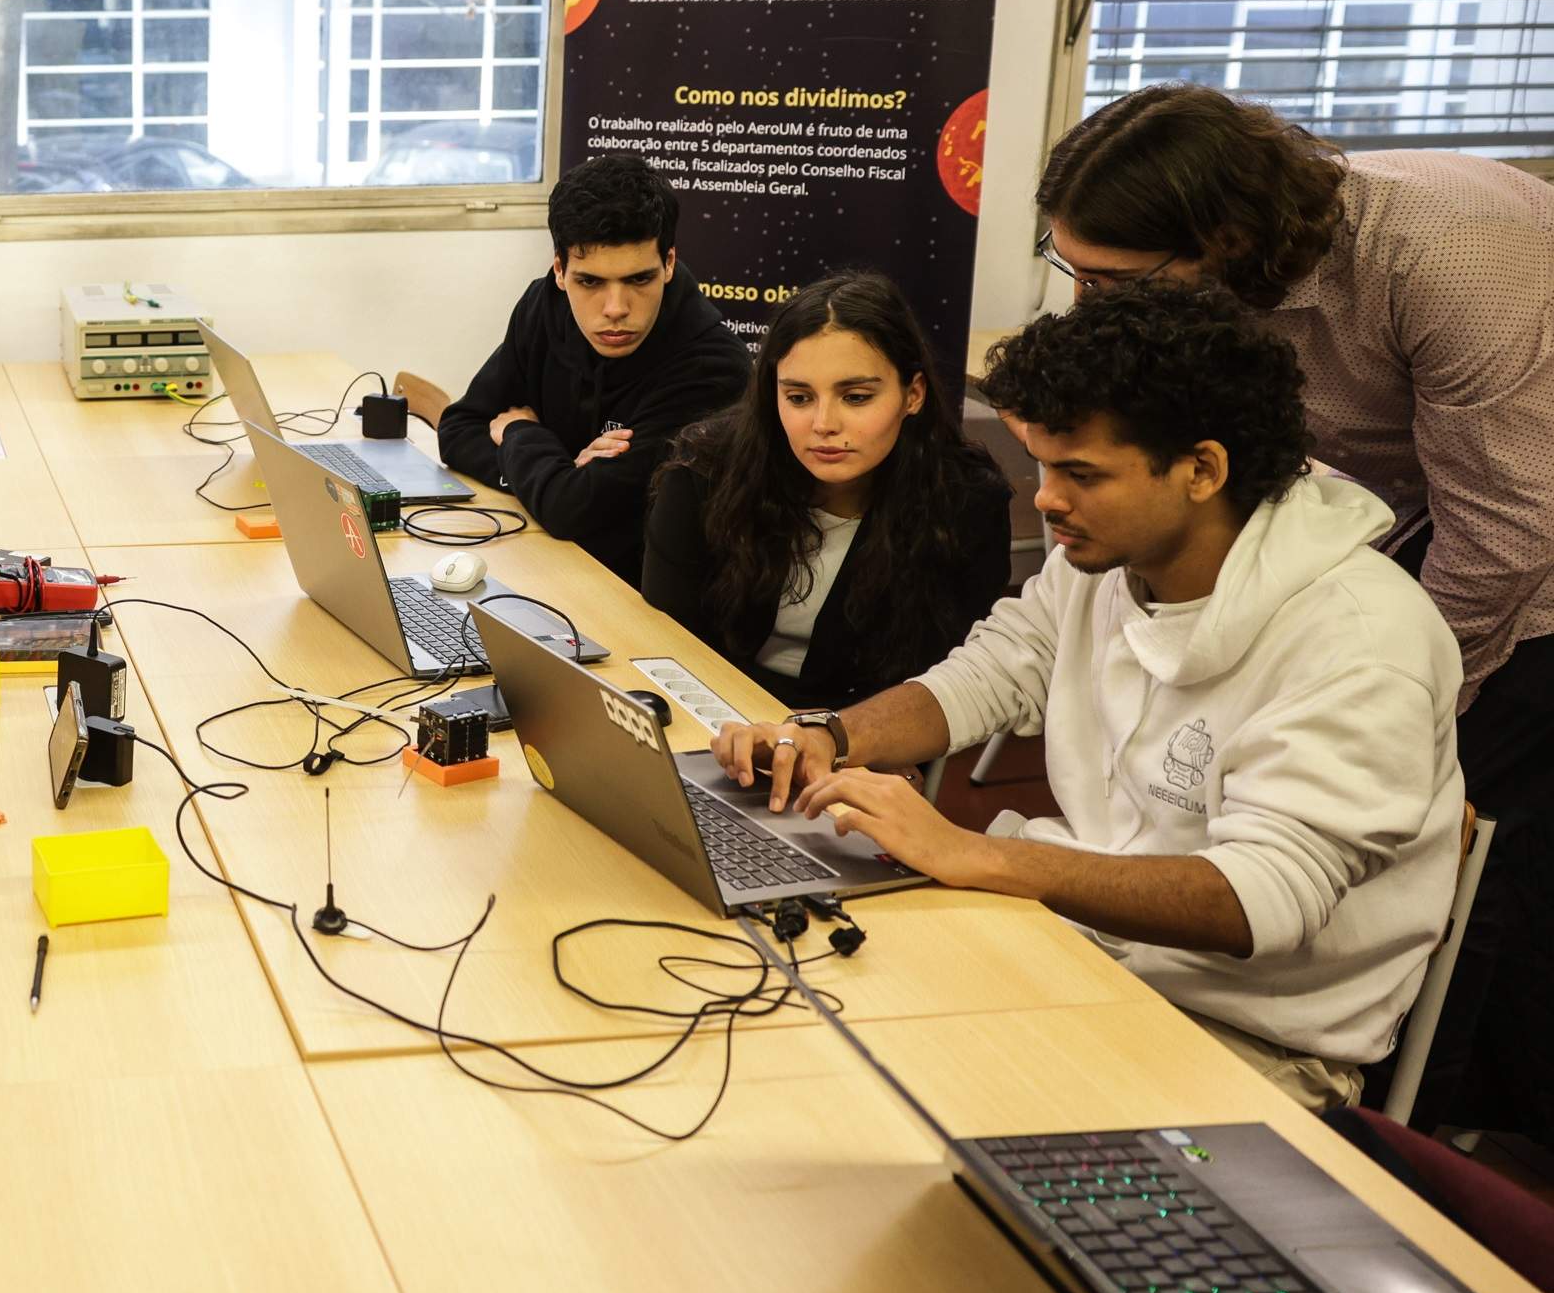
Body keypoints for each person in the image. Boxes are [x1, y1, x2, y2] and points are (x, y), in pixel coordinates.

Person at [714, 285, 1464, 1110]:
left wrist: (980, 855)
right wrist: (828, 734)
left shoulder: (1360, 636)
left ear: (1202, 470)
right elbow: (995, 669)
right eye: (1040, 464)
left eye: (1080, 473)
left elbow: (1263, 898)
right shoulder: (1104, 557)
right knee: (795, 1039)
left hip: (1241, 1033)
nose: (1044, 499)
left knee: (898, 1115)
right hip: (1070, 942)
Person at [1036, 82, 1554, 1133]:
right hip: (1426, 507)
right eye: (1073, 273)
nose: (1093, 304)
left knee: (1462, 852)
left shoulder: (1450, 254)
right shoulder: (1225, 279)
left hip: (1526, 546)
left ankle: (1415, 1144)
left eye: (1115, 278)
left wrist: (1398, 708)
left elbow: (1505, 529)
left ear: (1223, 238)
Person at [643, 273, 1010, 709]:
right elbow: (669, 647)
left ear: (913, 394)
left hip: (864, 740)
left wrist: (822, 739)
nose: (823, 425)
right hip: (711, 713)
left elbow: (936, 686)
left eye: (855, 397)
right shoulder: (704, 471)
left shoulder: (966, 503)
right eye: (799, 398)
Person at [438, 153, 751, 582]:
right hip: (545, 565)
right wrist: (558, 477)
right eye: (590, 282)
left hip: (646, 603)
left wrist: (519, 434)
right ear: (560, 271)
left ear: (670, 264)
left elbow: (573, 511)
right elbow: (457, 430)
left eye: (639, 280)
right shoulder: (543, 306)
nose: (616, 309)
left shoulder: (713, 369)